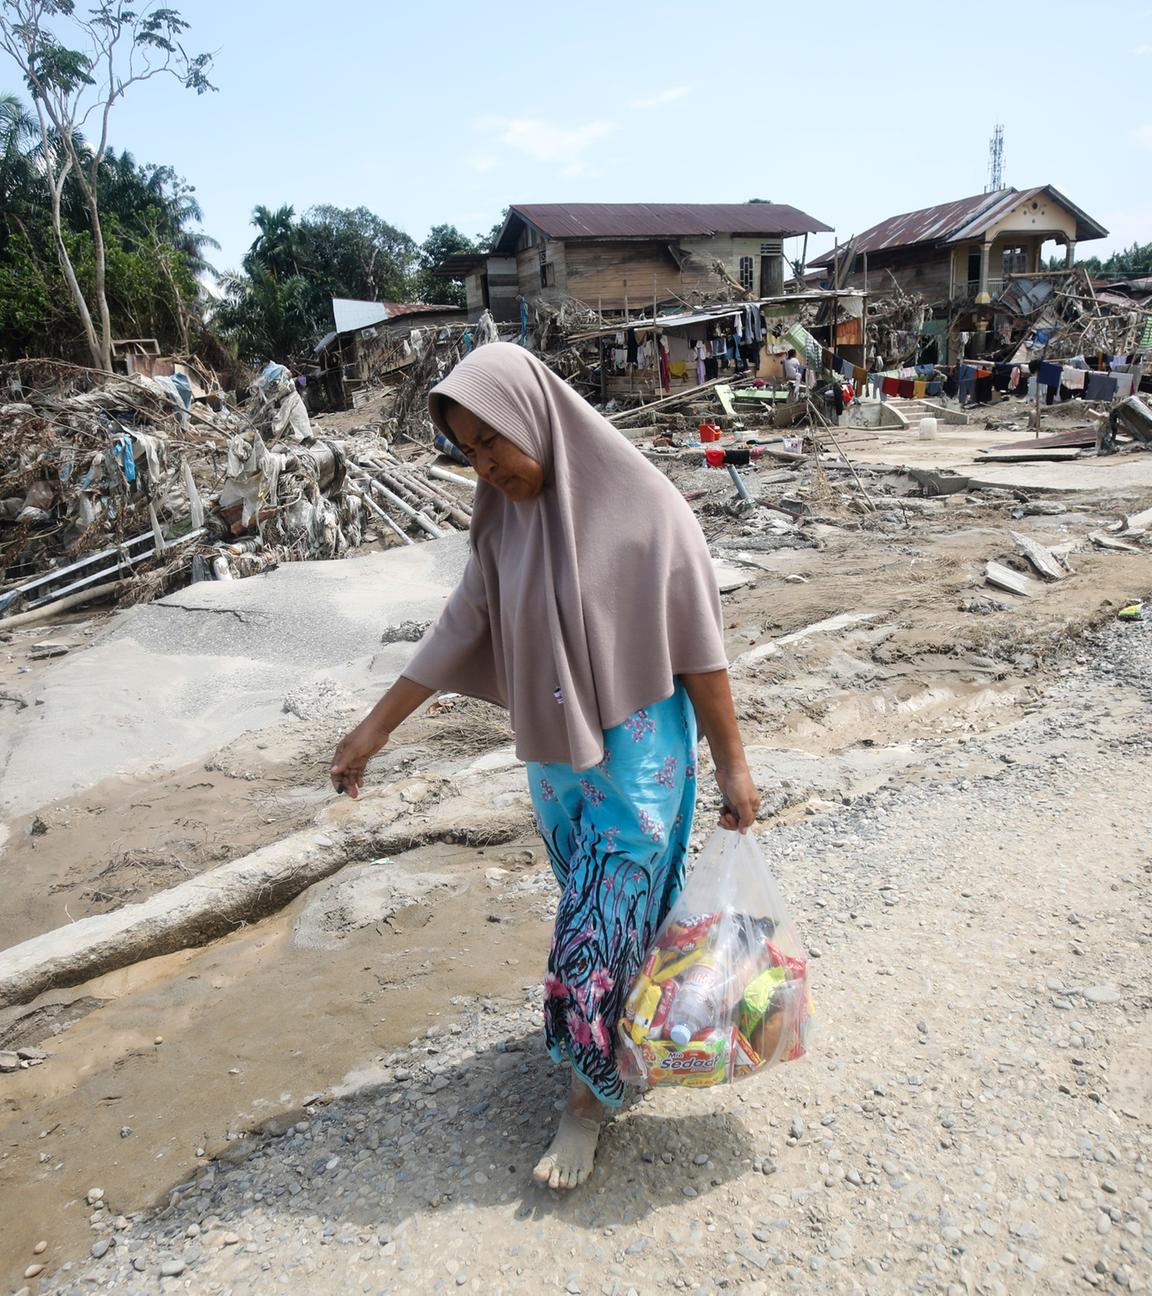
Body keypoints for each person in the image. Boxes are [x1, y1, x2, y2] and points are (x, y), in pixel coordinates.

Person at [329, 343, 761, 1192]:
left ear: (536, 417)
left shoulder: (649, 508)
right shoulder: (503, 525)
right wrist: (373, 729)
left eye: (494, 440)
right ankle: (634, 1043)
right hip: (560, 771)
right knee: (608, 918)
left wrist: (734, 768)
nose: (485, 465)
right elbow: (457, 631)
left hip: (641, 761)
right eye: (468, 451)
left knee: (595, 932)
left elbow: (703, 655)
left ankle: (585, 1106)